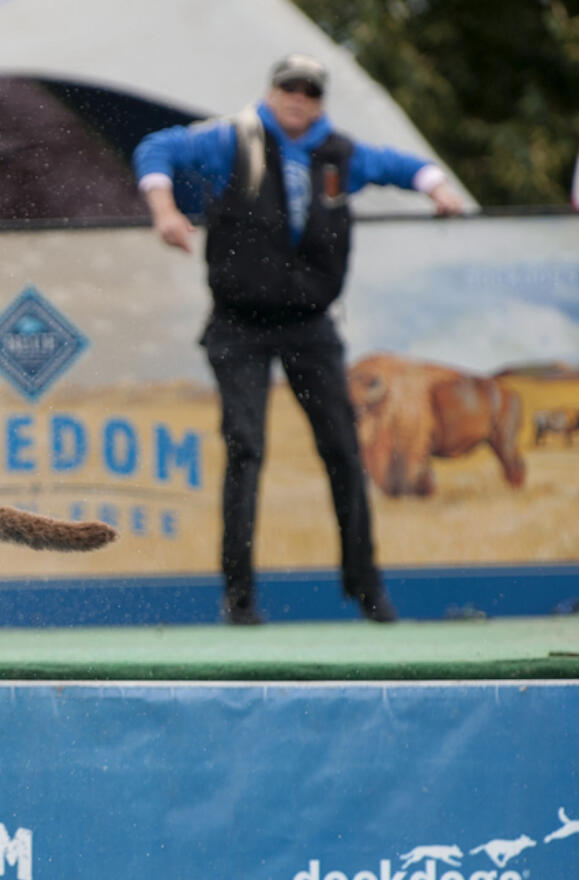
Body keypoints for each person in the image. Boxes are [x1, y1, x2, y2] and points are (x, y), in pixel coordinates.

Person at [133, 53, 464, 624]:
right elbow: (156, 149)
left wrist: (439, 189)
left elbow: (407, 166)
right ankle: (239, 598)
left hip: (311, 325)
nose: (298, 98)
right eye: (289, 87)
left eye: (310, 90)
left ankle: (368, 590)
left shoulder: (339, 153)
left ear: (320, 100)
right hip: (238, 323)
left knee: (342, 448)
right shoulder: (232, 139)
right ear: (273, 90)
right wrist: (164, 211)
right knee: (246, 448)